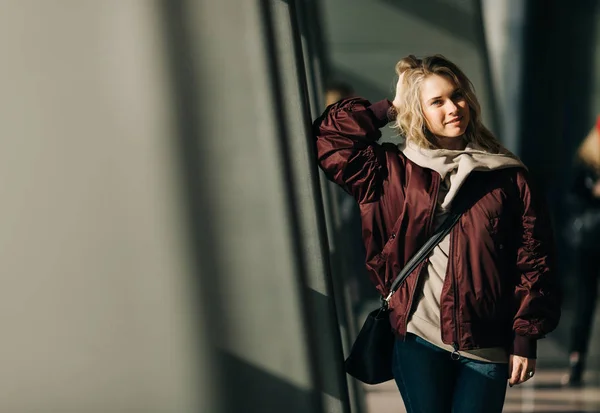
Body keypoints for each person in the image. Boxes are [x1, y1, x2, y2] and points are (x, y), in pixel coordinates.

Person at [313, 55, 561, 412]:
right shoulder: (390, 172)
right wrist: (392, 107)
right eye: (437, 101)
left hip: (487, 346)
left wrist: (525, 337)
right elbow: (331, 139)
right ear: (419, 111)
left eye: (457, 95)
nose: (453, 107)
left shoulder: (508, 176)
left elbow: (536, 261)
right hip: (418, 339)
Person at [561, 116, 600, 387]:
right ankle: (577, 362)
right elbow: (569, 197)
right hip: (590, 242)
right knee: (585, 304)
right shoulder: (586, 162)